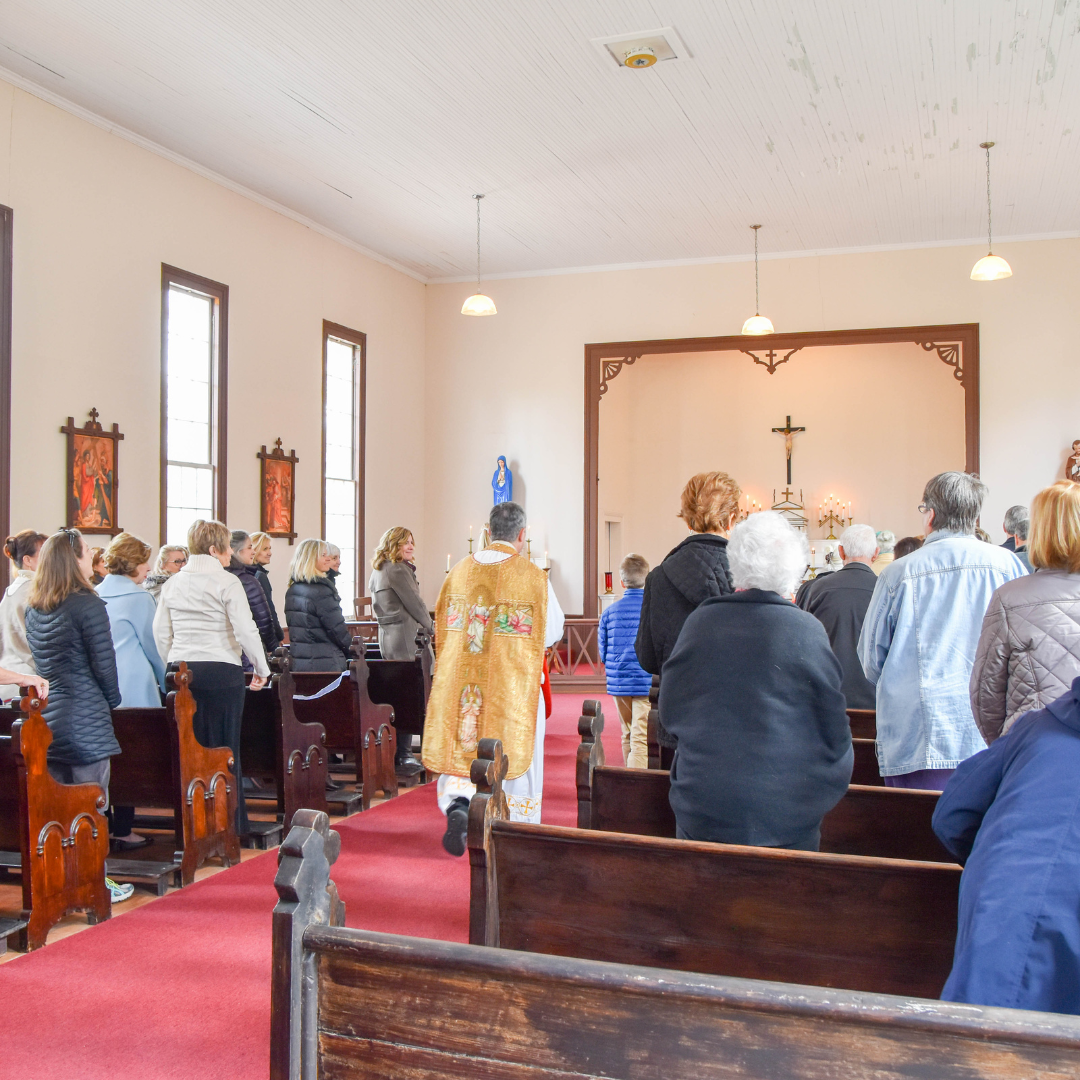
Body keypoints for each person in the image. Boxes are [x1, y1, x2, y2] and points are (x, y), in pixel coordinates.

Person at [660, 512, 852, 849]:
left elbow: (671, 711)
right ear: (794, 569)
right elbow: (834, 728)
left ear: (736, 562)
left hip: (705, 806)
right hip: (789, 814)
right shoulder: (807, 631)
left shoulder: (701, 622)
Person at [858, 472, 1027, 790]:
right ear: (975, 516)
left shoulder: (899, 572)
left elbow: (871, 660)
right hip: (989, 730)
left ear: (931, 514)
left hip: (919, 730)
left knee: (914, 833)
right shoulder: (1009, 565)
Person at [932, 678, 1080, 1015]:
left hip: (998, 912)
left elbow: (952, 817)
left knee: (979, 1050)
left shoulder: (1037, 728)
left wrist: (997, 857)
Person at [423, 501, 564, 855]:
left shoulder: (458, 572)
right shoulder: (532, 577)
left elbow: (441, 628)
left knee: (465, 741)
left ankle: (459, 804)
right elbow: (553, 630)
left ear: (487, 532)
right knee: (514, 751)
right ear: (522, 534)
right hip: (511, 686)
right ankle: (512, 825)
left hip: (464, 685)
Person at [24, 528, 133, 903]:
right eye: (86, 552)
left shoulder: (36, 606)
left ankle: (60, 883)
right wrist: (113, 700)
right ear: (74, 560)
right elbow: (104, 665)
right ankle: (94, 883)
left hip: (50, 716)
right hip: (85, 713)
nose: (91, 558)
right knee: (92, 805)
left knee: (58, 811)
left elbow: (42, 664)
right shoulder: (88, 604)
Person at [153, 519, 269, 837]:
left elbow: (160, 632)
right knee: (224, 747)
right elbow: (246, 629)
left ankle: (194, 826)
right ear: (215, 549)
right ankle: (228, 824)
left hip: (180, 670)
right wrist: (261, 668)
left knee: (188, 748)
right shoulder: (227, 582)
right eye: (228, 546)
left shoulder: (173, 583)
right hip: (221, 670)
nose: (231, 552)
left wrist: (173, 665)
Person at [635, 471, 738, 753]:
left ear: (688, 518)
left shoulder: (658, 577)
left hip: (678, 718)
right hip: (734, 720)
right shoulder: (746, 574)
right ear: (732, 519)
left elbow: (647, 657)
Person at [971, 481, 1080, 745]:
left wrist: (1010, 747)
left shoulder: (1010, 597)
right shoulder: (1009, 598)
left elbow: (986, 695)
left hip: (1035, 747)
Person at [97, 532, 166, 849]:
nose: (149, 567)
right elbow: (152, 648)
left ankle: (106, 823)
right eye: (144, 561)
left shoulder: (95, 594)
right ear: (132, 564)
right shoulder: (139, 599)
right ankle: (124, 828)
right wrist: (167, 684)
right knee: (133, 755)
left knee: (107, 758)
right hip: (134, 684)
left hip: (101, 684)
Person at [368, 526, 433, 775]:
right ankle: (405, 754)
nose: (410, 547)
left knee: (399, 694)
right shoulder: (397, 570)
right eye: (405, 543)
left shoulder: (379, 569)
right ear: (393, 544)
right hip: (407, 638)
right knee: (411, 693)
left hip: (389, 638)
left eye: (411, 542)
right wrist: (431, 626)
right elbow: (414, 603)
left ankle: (400, 751)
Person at [797, 524, 879, 710]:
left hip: (826, 697)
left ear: (840, 552)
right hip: (875, 699)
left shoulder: (816, 589)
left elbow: (802, 643)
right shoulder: (886, 590)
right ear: (876, 553)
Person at [597, 553, 652, 768]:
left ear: (621, 582)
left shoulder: (609, 612)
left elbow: (602, 651)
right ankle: (636, 784)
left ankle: (629, 776)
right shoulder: (653, 611)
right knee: (641, 734)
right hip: (645, 679)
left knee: (627, 732)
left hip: (619, 680)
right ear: (647, 580)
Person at [284, 538, 354, 672]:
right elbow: (337, 630)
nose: (328, 559)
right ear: (310, 559)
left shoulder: (293, 589)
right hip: (326, 663)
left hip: (300, 663)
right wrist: (352, 651)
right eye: (323, 555)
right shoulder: (321, 591)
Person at [0, 529, 47, 702]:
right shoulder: (34, 591)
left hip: (9, 680)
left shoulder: (11, 590)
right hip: (29, 684)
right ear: (28, 560)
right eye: (44, 554)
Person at [227, 529, 281, 657]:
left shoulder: (224, 575)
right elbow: (265, 615)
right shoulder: (253, 578)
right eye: (264, 549)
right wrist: (273, 644)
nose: (269, 553)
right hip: (249, 646)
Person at [249, 531, 284, 645]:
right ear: (254, 550)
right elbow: (268, 610)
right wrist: (279, 636)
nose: (269, 553)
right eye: (265, 549)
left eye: (269, 548)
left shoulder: (245, 574)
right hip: (263, 638)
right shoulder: (260, 576)